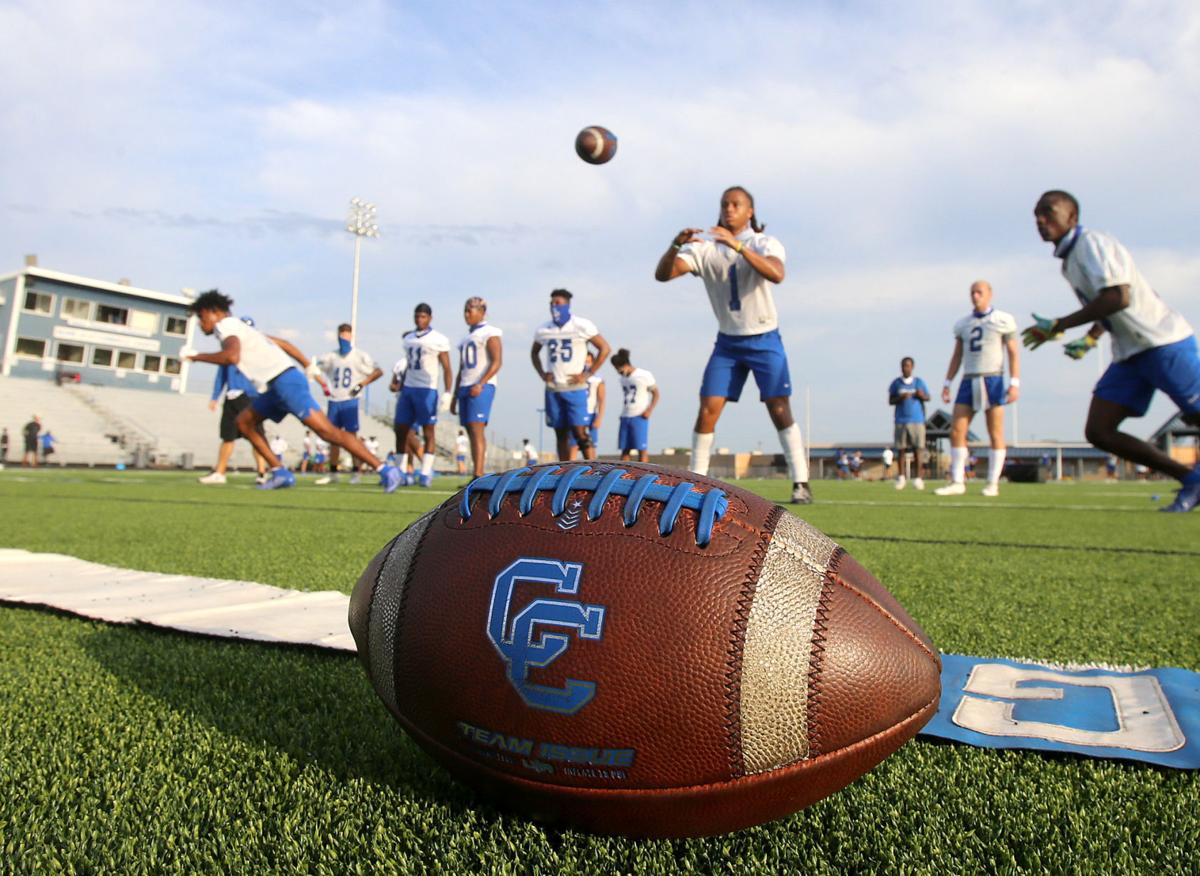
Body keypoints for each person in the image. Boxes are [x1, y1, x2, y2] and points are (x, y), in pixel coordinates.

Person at [1024, 190, 1200, 512]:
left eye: (1048, 212)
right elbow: (1108, 305)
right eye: (1036, 214)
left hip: (1161, 341)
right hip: (1130, 352)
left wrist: (1061, 324)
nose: (1040, 220)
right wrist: (1091, 339)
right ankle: (1191, 478)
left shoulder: (1092, 243)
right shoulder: (1069, 261)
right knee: (1099, 431)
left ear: (1072, 217)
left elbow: (1119, 297)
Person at [654, 186, 811, 503]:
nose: (729, 209)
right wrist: (674, 246)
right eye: (725, 204)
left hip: (764, 336)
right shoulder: (705, 249)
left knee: (779, 409)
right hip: (728, 341)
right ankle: (696, 482)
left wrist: (738, 246)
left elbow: (777, 273)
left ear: (749, 211)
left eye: (736, 204)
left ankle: (801, 482)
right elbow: (663, 275)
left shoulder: (763, 242)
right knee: (708, 409)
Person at [182, 290, 400, 492]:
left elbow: (231, 357)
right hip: (277, 385)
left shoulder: (225, 326)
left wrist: (194, 356)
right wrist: (307, 364)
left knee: (328, 432)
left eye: (201, 318)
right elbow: (284, 343)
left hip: (285, 382)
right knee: (244, 422)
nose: (201, 325)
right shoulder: (243, 328)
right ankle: (280, 472)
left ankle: (384, 469)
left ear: (213, 312)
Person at [935, 281, 1020, 497]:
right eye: (972, 292)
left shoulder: (1002, 319)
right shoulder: (963, 323)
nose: (975, 296)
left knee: (995, 431)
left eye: (979, 292)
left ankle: (992, 483)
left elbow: (1012, 352)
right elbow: (957, 355)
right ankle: (957, 481)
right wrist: (947, 383)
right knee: (956, 430)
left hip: (993, 378)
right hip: (968, 378)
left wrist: (1014, 382)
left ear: (990, 294)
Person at [530, 289, 611, 461]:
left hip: (575, 387)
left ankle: (593, 469)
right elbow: (534, 353)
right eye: (551, 303)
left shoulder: (581, 325)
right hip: (553, 388)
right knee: (560, 433)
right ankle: (564, 471)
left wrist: (587, 374)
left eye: (558, 303)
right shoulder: (544, 329)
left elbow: (605, 348)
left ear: (567, 304)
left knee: (580, 432)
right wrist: (542, 373)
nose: (554, 306)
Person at [199, 318, 271, 486]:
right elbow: (221, 376)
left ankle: (262, 472)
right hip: (232, 396)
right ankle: (220, 472)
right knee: (227, 437)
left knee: (256, 436)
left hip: (250, 396)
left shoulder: (256, 353)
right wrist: (215, 397)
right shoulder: (229, 350)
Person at [313, 323, 383, 486]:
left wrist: (362, 384)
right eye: (341, 334)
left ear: (351, 336)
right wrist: (323, 385)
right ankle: (333, 472)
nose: (343, 337)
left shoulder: (359, 356)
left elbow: (378, 371)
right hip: (334, 400)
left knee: (352, 438)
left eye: (346, 334)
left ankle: (356, 472)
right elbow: (313, 369)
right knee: (332, 438)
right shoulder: (331, 356)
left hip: (350, 400)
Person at [392, 303, 452, 487]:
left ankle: (426, 472)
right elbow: (409, 365)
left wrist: (448, 392)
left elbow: (447, 367)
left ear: (430, 318)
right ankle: (401, 471)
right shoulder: (408, 338)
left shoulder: (438, 339)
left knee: (428, 431)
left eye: (423, 317)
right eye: (417, 316)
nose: (420, 320)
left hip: (427, 389)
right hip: (408, 388)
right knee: (401, 429)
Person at [450, 296, 503, 479]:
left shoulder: (490, 332)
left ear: (482, 312)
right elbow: (461, 368)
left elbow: (497, 362)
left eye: (470, 310)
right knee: (470, 430)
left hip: (481, 385)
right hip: (466, 385)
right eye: (465, 310)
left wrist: (480, 383)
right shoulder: (466, 338)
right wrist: (455, 395)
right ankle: (476, 472)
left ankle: (478, 474)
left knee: (477, 429)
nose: (466, 314)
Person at [610, 348, 659, 462]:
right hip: (626, 414)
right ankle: (624, 474)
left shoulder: (644, 375)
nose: (619, 372)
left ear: (626, 365)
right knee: (625, 449)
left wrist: (649, 410)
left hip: (639, 414)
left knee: (641, 448)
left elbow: (656, 394)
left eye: (620, 369)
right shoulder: (622, 379)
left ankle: (643, 474)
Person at [888, 357, 929, 490]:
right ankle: (901, 478)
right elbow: (890, 400)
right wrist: (901, 397)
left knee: (918, 449)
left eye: (908, 366)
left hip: (917, 420)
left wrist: (920, 395)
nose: (906, 368)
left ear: (912, 367)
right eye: (904, 366)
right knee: (901, 450)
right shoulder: (896, 383)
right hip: (901, 420)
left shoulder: (919, 382)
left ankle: (918, 478)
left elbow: (928, 397)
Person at [567, 353, 606, 460]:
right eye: (584, 362)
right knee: (573, 444)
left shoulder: (598, 378)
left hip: (591, 412)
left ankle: (592, 470)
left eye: (588, 362)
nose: (586, 364)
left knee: (591, 444)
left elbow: (601, 399)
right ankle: (570, 470)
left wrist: (599, 418)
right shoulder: (575, 376)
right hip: (577, 412)